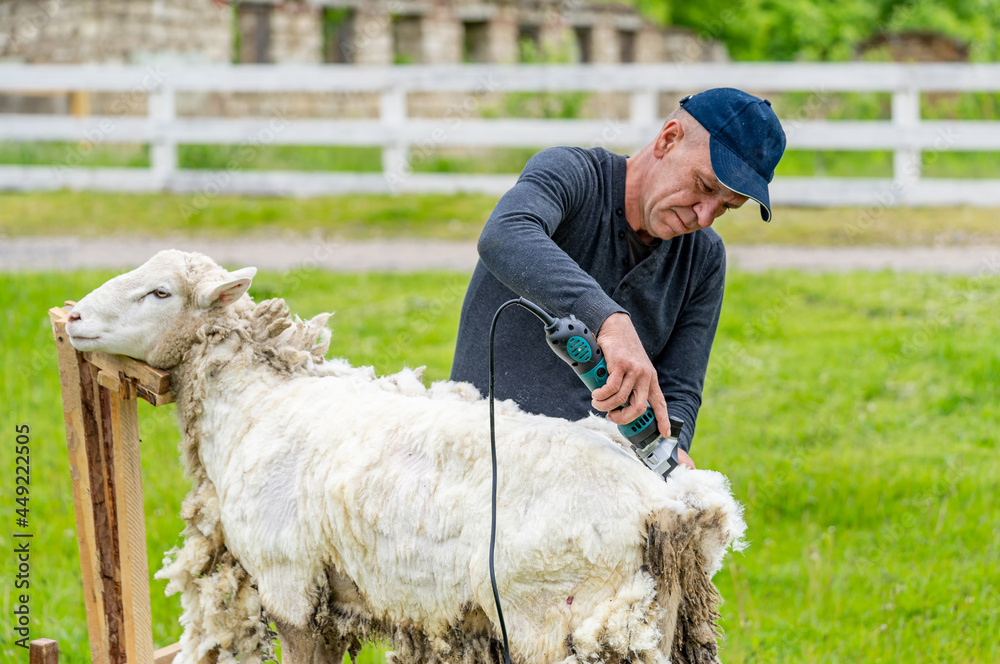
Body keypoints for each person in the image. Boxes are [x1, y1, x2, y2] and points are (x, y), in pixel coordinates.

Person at [450, 88, 786, 469]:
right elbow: (505, 234)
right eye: (705, 186)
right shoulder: (571, 172)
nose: (705, 216)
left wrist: (669, 446)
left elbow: (680, 386)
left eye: (726, 206)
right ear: (668, 139)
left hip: (595, 485)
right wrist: (609, 320)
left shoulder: (704, 256)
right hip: (480, 460)